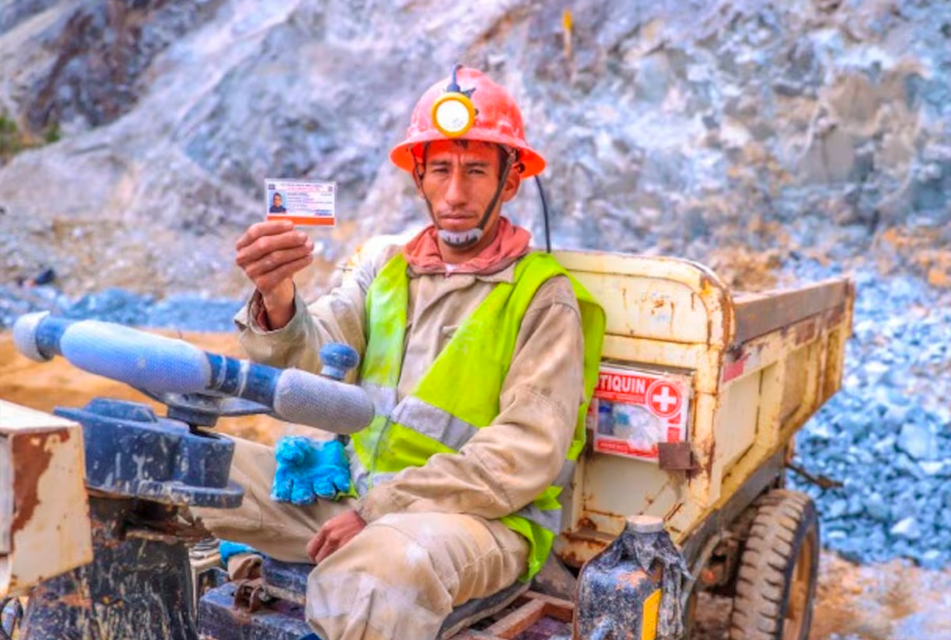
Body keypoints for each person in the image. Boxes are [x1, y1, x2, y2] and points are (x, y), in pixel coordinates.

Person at [195, 66, 605, 640]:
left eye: (477, 170)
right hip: (356, 496)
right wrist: (278, 297)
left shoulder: (545, 298)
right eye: (440, 169)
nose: (455, 193)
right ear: (418, 178)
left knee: (378, 575)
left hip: (474, 522)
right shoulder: (384, 267)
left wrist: (380, 507)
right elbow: (313, 366)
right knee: (180, 464)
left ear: (511, 182)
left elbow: (523, 457)